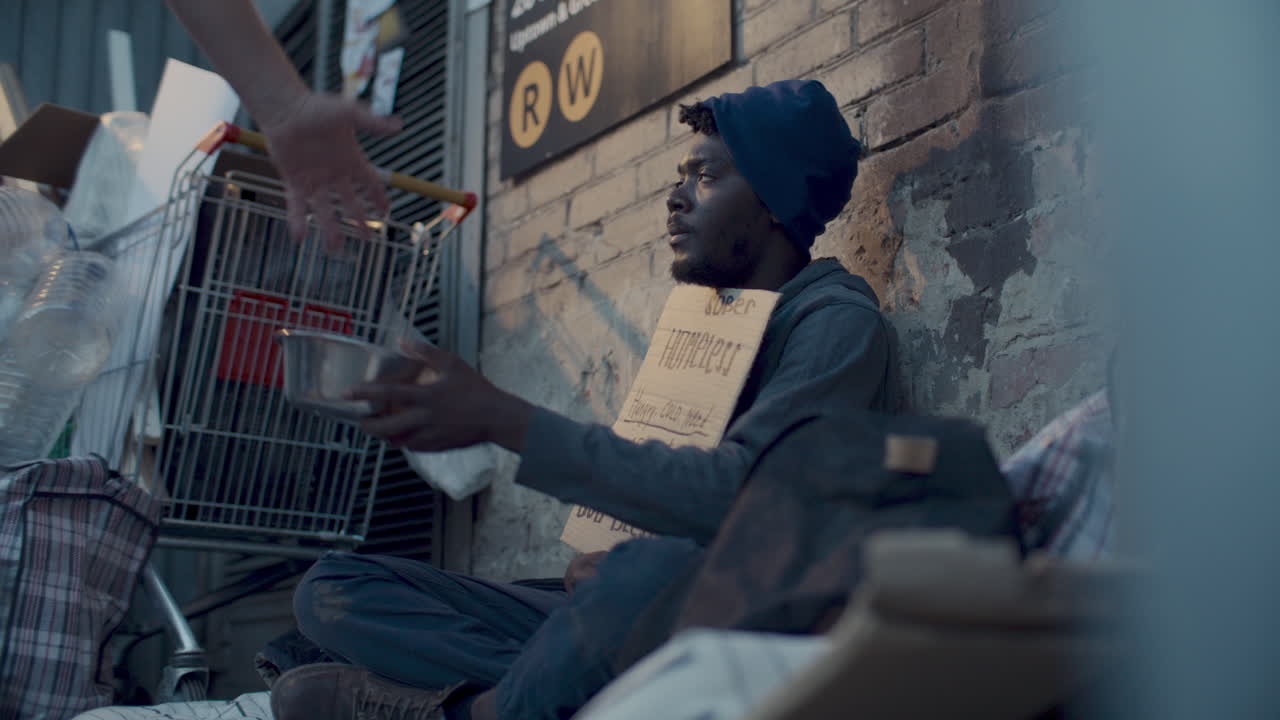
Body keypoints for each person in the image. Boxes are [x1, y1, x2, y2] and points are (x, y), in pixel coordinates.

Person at [261, 79, 894, 720]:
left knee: (645, 581)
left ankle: (473, 712)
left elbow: (734, 498)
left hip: (728, 620)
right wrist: (605, 559)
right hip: (626, 616)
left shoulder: (836, 323)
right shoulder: (711, 321)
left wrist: (501, 416)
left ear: (774, 198)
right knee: (331, 592)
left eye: (704, 176)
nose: (674, 199)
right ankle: (541, 695)